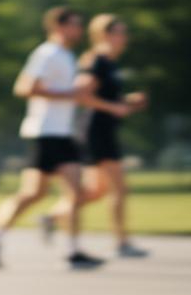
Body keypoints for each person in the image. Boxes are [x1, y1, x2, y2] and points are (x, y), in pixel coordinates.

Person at [0, 7, 106, 270]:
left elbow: (71, 93)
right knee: (58, 192)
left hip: (60, 133)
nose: (79, 30)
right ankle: (72, 251)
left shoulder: (67, 56)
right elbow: (25, 88)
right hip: (47, 132)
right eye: (74, 25)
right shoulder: (46, 53)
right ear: (58, 27)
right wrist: (69, 94)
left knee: (40, 192)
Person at [41, 14, 149, 257]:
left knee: (96, 191)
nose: (125, 38)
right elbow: (81, 94)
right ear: (104, 35)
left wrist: (126, 101)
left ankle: (51, 217)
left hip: (104, 128)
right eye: (120, 32)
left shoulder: (111, 64)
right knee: (119, 189)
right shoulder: (96, 62)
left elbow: (104, 98)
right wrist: (114, 107)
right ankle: (122, 243)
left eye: (124, 32)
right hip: (96, 130)